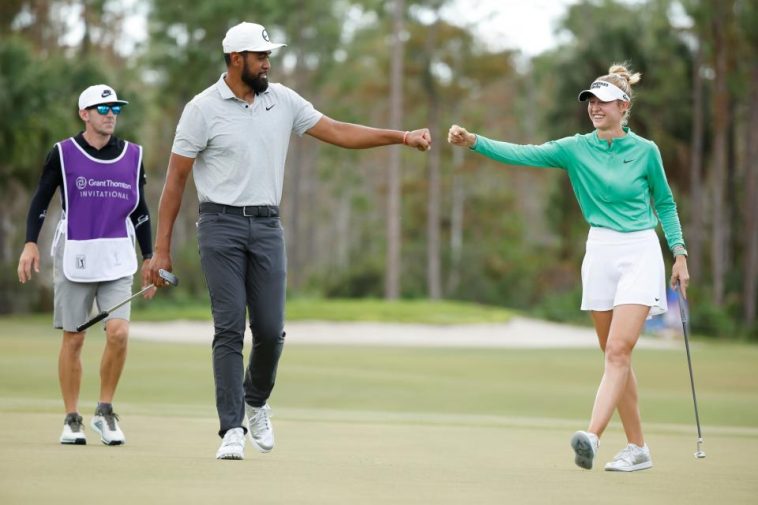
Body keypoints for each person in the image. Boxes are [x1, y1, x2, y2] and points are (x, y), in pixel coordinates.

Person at [147, 21, 432, 460]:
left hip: (266, 227)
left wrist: (400, 137)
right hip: (219, 225)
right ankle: (231, 428)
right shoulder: (201, 109)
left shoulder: (282, 100)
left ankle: (256, 400)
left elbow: (338, 131)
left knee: (269, 331)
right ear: (236, 59)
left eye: (269, 56)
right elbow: (175, 181)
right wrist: (161, 249)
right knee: (228, 329)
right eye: (260, 56)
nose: (268, 63)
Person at [448, 63, 690, 472]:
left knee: (618, 350)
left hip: (639, 250)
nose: (595, 107)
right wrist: (475, 142)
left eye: (604, 101)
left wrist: (679, 253)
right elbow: (524, 154)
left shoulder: (646, 151)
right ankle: (638, 448)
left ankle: (591, 437)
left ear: (624, 106)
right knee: (614, 356)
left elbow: (664, 203)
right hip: (599, 249)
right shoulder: (575, 148)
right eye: (591, 101)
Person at [17, 84, 154, 446]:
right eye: (103, 108)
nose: (111, 114)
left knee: (119, 333)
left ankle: (105, 411)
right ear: (85, 114)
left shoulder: (133, 155)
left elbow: (140, 211)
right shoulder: (62, 154)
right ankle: (72, 418)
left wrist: (150, 257)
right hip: (75, 254)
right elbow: (40, 200)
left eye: (115, 109)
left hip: (117, 256)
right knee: (74, 339)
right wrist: (30, 242)